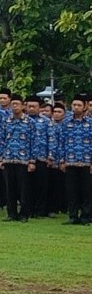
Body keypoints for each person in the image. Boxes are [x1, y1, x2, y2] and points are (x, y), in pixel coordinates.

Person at [58, 94, 92, 225]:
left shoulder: (90, 123)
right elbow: (61, 142)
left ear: (84, 107)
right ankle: (73, 215)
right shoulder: (66, 122)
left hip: (86, 162)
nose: (76, 107)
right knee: (71, 190)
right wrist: (61, 160)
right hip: (70, 162)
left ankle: (86, 216)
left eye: (79, 105)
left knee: (87, 191)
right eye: (74, 105)